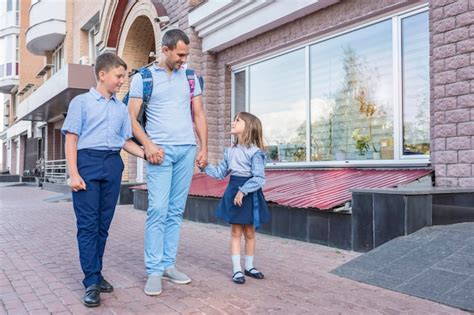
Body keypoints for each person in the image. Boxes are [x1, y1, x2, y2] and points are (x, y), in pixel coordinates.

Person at [127, 28, 208, 296]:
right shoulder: (144, 78)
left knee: (175, 211)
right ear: (165, 49)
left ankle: (168, 265)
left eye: (186, 55)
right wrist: (148, 145)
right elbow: (131, 119)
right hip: (159, 153)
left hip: (186, 150)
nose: (184, 59)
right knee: (158, 210)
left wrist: (204, 148)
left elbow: (198, 115)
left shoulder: (192, 78)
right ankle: (153, 271)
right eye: (180, 54)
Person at [62, 52, 145, 307]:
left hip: (112, 165)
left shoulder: (121, 108)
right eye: (119, 76)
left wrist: (147, 154)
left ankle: (95, 273)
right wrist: (73, 174)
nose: (122, 81)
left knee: (102, 226)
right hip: (87, 162)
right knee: (88, 225)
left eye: (124, 77)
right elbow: (71, 139)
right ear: (102, 74)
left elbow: (124, 141)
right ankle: (91, 281)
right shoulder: (81, 102)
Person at [198, 112, 270, 284]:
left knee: (250, 232)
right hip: (234, 192)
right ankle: (237, 270)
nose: (233, 122)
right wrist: (205, 167)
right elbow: (220, 173)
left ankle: (249, 266)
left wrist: (243, 191)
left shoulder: (255, 153)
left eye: (238, 120)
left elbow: (259, 178)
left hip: (249, 194)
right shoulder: (229, 152)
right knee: (236, 232)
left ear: (249, 127)